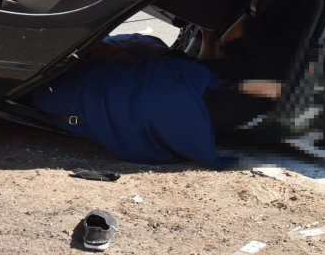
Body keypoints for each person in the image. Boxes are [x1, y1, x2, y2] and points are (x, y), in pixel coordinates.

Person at [30, 34, 283, 168]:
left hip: (162, 93)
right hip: (164, 97)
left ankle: (270, 89)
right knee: (224, 89)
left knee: (225, 87)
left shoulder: (46, 89)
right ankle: (276, 89)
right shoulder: (119, 50)